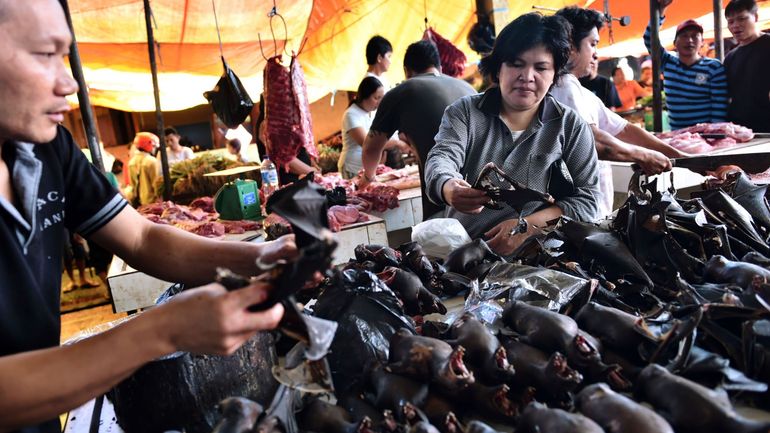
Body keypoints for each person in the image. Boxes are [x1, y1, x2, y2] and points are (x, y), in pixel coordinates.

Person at [0, 1, 294, 431]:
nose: (69, 84)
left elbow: (141, 239)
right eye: (45, 55)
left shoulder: (47, 149)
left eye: (65, 57)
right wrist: (160, 332)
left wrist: (259, 257)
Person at [425, 12, 601, 256]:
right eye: (516, 64)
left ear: (555, 74)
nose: (527, 77)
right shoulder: (464, 112)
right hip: (466, 254)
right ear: (498, 69)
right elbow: (441, 157)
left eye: (541, 67)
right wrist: (447, 187)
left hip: (538, 257)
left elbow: (590, 200)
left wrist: (528, 227)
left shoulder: (570, 126)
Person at [551, 6, 685, 217]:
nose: (596, 53)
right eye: (592, 44)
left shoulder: (581, 91)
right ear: (570, 46)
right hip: (574, 215)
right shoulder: (562, 86)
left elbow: (624, 129)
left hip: (593, 210)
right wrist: (643, 156)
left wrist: (681, 157)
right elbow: (594, 142)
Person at [360, 40, 477, 218]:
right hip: (485, 200)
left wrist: (367, 178)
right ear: (439, 67)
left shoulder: (402, 92)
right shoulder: (468, 89)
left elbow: (371, 148)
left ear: (407, 71)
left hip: (444, 202)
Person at [644, 0, 728, 129]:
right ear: (675, 43)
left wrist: (713, 136)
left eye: (695, 36)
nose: (689, 40)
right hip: (678, 136)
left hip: (706, 136)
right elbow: (649, 38)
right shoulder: (667, 62)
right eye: (684, 36)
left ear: (702, 42)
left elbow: (719, 107)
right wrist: (661, 10)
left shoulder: (714, 67)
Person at [724, 0, 770, 132]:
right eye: (730, 22)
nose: (735, 25)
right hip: (740, 130)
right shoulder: (730, 57)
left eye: (741, 19)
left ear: (755, 17)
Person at [252, 95, 314, 185]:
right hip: (289, 184)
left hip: (300, 179)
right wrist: (310, 171)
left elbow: (297, 149)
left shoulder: (280, 121)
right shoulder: (267, 124)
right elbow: (283, 158)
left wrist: (312, 164)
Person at [339, 76, 386, 178]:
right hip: (352, 168)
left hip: (365, 168)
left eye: (381, 98)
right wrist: (397, 143)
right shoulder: (351, 114)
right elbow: (367, 143)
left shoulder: (369, 112)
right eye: (376, 98)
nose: (379, 102)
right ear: (364, 96)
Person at [127, 132, 161, 206]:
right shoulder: (152, 161)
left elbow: (133, 186)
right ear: (149, 145)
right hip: (153, 203)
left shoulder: (131, 162)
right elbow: (157, 185)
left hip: (140, 203)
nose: (155, 149)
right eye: (154, 146)